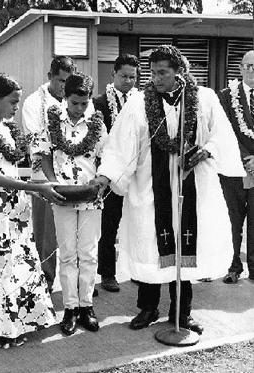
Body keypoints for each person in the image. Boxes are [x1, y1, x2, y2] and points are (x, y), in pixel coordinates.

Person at [93, 45, 245, 335]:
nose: (156, 78)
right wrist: (107, 175)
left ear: (180, 72)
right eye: (152, 72)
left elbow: (221, 135)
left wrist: (205, 151)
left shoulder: (204, 100)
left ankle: (182, 313)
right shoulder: (139, 102)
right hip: (151, 188)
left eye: (163, 72)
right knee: (151, 244)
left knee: (184, 248)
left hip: (192, 186)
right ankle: (148, 309)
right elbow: (122, 143)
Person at [0, 73, 60, 350]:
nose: (16, 107)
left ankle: (18, 324)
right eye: (12, 102)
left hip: (17, 207)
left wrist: (36, 186)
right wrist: (39, 189)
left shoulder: (11, 131)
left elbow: (22, 169)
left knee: (17, 266)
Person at [36, 72, 107, 336]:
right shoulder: (52, 121)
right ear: (65, 98)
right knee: (67, 255)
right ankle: (69, 308)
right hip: (62, 196)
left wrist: (100, 182)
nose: (79, 108)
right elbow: (43, 154)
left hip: (90, 196)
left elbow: (105, 155)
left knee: (88, 254)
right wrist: (53, 183)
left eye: (84, 103)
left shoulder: (97, 124)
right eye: (75, 102)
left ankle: (87, 306)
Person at [22, 56, 75, 293]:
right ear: (49, 77)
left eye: (68, 80)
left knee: (74, 231)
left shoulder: (76, 99)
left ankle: (75, 281)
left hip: (73, 174)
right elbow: (35, 140)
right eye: (60, 80)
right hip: (44, 175)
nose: (64, 86)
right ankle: (45, 280)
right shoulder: (34, 103)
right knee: (46, 234)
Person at [93, 54, 139, 293]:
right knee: (108, 225)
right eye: (124, 76)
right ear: (113, 74)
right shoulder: (98, 103)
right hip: (110, 172)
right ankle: (107, 273)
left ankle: (138, 270)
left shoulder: (142, 101)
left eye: (133, 77)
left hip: (136, 173)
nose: (129, 81)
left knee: (138, 223)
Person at [218, 50, 254, 284]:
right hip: (234, 168)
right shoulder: (225, 97)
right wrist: (246, 159)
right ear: (240, 68)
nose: (252, 71)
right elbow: (223, 132)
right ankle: (233, 265)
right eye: (248, 66)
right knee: (232, 220)